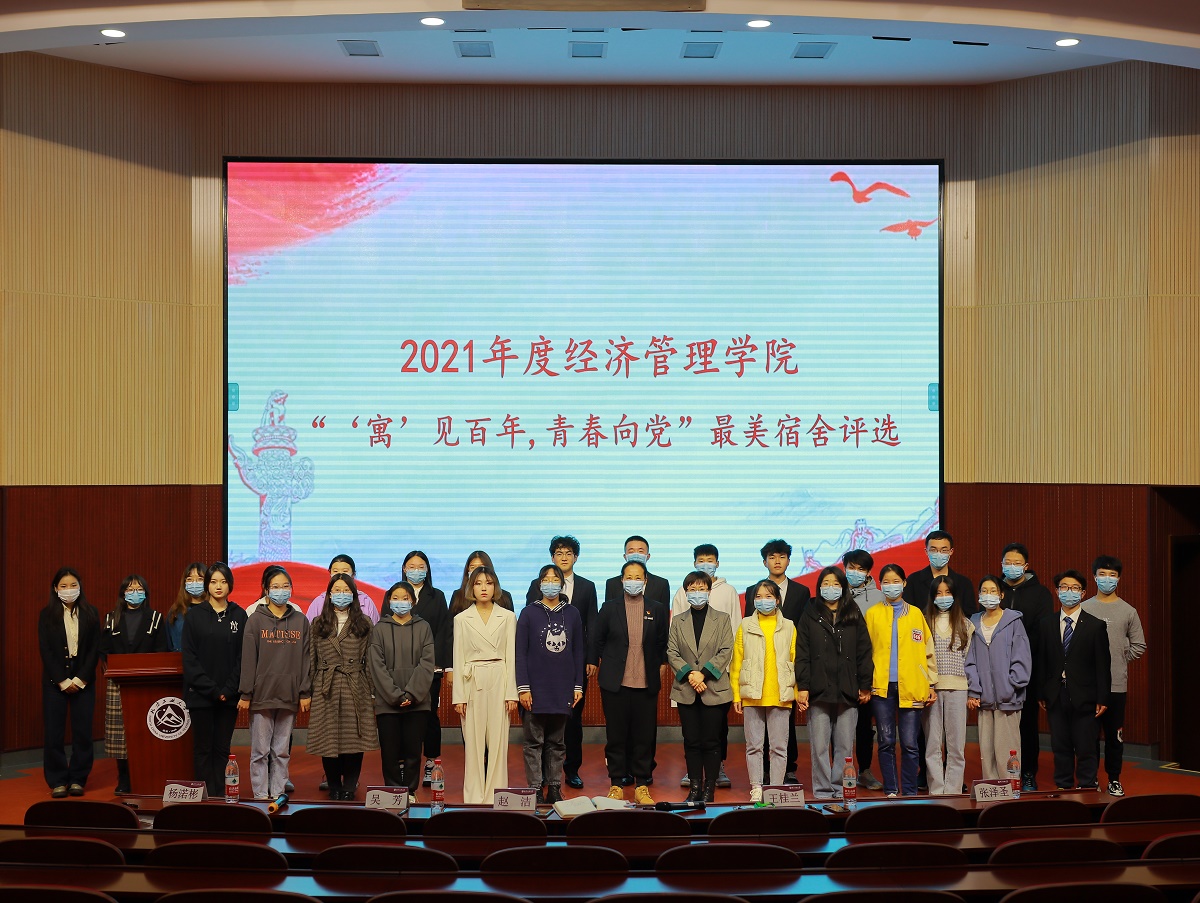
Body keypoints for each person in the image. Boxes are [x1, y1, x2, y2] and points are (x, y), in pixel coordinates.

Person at [589, 559, 669, 805]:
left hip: (646, 681)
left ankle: (642, 784)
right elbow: (597, 639)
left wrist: (662, 664)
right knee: (616, 735)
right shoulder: (609, 608)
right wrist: (607, 660)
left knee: (644, 736)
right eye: (629, 577)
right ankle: (616, 783)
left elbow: (662, 641)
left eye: (638, 578)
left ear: (645, 581)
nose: (633, 582)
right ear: (622, 580)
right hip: (616, 682)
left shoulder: (656, 609)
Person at [525, 536, 597, 790]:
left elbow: (592, 624)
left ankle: (571, 770)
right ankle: (543, 776)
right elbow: (530, 625)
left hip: (573, 666)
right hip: (541, 669)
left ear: (576, 557)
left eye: (568, 553)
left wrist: (590, 659)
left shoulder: (587, 587)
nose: (564, 557)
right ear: (552, 557)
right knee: (541, 723)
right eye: (559, 553)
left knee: (573, 720)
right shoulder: (536, 587)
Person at [796, 567, 873, 800]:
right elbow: (802, 653)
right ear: (819, 587)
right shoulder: (809, 614)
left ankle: (840, 789)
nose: (831, 588)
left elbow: (864, 651)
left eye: (836, 584)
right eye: (826, 584)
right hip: (818, 690)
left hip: (848, 689)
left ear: (843, 587)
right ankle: (822, 791)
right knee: (819, 746)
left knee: (844, 746)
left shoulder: (853, 613)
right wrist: (803, 687)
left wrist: (865, 684)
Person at [238, 565, 311, 801]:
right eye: (276, 586)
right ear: (266, 590)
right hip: (261, 696)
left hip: (289, 695)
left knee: (281, 751)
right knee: (260, 751)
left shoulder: (300, 621)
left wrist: (304, 692)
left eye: (285, 586)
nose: (281, 590)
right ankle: (260, 795)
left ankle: (278, 793)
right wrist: (246, 693)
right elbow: (248, 659)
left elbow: (306, 658)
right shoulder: (255, 620)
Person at [671, 544, 740, 790]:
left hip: (715, 685)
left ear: (709, 591)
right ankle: (695, 785)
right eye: (692, 589)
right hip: (687, 686)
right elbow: (672, 651)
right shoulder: (678, 620)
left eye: (701, 589)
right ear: (685, 592)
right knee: (691, 739)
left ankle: (710, 784)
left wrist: (704, 674)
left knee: (713, 739)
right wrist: (691, 675)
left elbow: (726, 648)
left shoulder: (722, 618)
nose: (697, 593)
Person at [865, 564, 937, 797]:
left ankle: (909, 791)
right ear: (880, 585)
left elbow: (928, 651)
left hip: (912, 685)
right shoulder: (872, 614)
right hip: (881, 686)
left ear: (904, 583)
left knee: (910, 743)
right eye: (886, 582)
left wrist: (931, 683)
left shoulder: (916, 614)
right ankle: (891, 790)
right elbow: (865, 652)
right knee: (886, 741)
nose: (891, 586)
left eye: (896, 581)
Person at [744, 539, 811, 785]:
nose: (777, 561)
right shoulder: (753, 590)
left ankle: (787, 768)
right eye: (772, 557)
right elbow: (748, 627)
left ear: (788, 561)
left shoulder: (801, 591)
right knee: (758, 726)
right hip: (760, 664)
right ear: (765, 562)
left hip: (786, 661)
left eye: (782, 557)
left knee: (785, 721)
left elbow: (803, 629)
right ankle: (762, 771)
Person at [516, 564, 585, 804]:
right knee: (533, 743)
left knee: (557, 742)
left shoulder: (573, 613)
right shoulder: (528, 613)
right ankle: (535, 788)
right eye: (546, 579)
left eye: (555, 579)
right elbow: (520, 653)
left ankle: (554, 787)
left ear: (562, 584)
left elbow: (578, 652)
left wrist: (577, 686)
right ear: (539, 584)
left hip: (562, 688)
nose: (551, 583)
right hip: (535, 689)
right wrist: (523, 688)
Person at [1037, 569, 1111, 791]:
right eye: (1064, 587)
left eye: (1075, 588)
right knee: (1060, 745)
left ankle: (1087, 786)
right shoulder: (1046, 623)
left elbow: (1103, 665)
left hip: (1086, 695)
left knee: (1086, 746)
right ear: (1057, 591)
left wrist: (1103, 698)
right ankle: (1063, 784)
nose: (1069, 592)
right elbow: (1042, 660)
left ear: (1083, 593)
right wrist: (1041, 692)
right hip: (1056, 694)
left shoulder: (1095, 625)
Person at [452, 565, 518, 804]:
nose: (483, 588)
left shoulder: (508, 617)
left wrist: (512, 693)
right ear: (471, 587)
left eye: (488, 583)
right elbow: (458, 657)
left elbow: (511, 656)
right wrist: (458, 696)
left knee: (499, 744)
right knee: (473, 744)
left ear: (495, 587)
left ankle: (496, 795)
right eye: (478, 583)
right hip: (472, 681)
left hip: (500, 679)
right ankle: (473, 797)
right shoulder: (461, 619)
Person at [308, 573, 378, 800]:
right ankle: (334, 785)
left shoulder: (364, 624)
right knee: (327, 738)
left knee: (354, 739)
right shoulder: (318, 623)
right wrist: (308, 690)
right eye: (337, 590)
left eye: (346, 590)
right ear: (329, 595)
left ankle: (349, 785)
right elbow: (312, 660)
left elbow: (370, 660)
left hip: (355, 684)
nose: (341, 595)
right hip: (325, 686)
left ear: (354, 595)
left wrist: (372, 692)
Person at [1082, 555, 1146, 797]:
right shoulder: (1083, 608)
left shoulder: (1128, 611)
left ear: (1118, 578)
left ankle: (1114, 779)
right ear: (1094, 576)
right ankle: (1089, 779)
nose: (1107, 579)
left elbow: (1139, 645)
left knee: (1114, 737)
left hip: (1116, 685)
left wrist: (1119, 657)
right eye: (1102, 574)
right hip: (1088, 685)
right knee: (1088, 736)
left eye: (1112, 575)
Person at [182, 562, 247, 797]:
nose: (218, 586)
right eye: (213, 582)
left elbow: (243, 657)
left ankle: (221, 795)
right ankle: (203, 797)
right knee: (202, 749)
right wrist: (212, 690)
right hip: (200, 696)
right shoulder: (194, 616)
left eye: (223, 581)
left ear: (230, 585)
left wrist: (228, 690)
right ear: (207, 585)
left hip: (229, 696)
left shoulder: (239, 615)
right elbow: (189, 659)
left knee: (222, 749)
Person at [100, 574, 168, 793]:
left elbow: (162, 650)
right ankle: (124, 779)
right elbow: (103, 650)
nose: (134, 593)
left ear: (146, 593)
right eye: (130, 589)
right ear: (123, 593)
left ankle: (147, 776)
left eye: (139, 589)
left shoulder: (156, 618)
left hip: (147, 685)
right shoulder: (111, 619)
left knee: (146, 731)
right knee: (120, 735)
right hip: (118, 683)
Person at [369, 581, 436, 797]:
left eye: (405, 598)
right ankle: (393, 792)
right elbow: (376, 666)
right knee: (389, 752)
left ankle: (410, 791)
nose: (400, 602)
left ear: (413, 602)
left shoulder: (423, 627)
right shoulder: (379, 629)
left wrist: (411, 694)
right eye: (395, 598)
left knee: (413, 751)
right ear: (389, 601)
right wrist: (395, 696)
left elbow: (427, 663)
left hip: (418, 702)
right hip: (387, 703)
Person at [732, 579, 797, 802]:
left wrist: (797, 691)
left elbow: (795, 660)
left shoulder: (789, 626)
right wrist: (736, 694)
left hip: (780, 693)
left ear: (777, 600)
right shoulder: (745, 625)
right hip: (752, 693)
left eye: (768, 596)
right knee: (754, 746)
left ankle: (775, 789)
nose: (763, 601)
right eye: (758, 597)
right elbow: (737, 661)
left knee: (779, 747)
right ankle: (757, 787)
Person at [38, 568, 101, 798]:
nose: (69, 590)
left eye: (73, 585)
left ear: (80, 587)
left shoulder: (91, 612)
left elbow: (95, 648)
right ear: (55, 588)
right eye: (63, 586)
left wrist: (81, 678)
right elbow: (45, 650)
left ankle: (77, 779)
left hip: (84, 680)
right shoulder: (46, 615)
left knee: (82, 732)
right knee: (53, 733)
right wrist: (62, 681)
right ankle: (57, 780)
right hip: (55, 682)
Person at [999, 542, 1054, 792]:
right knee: (1000, 723)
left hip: (1027, 668)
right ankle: (1002, 773)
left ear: (1026, 565)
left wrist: (1017, 651)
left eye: (1017, 563)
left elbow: (1041, 633)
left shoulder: (1040, 593)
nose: (1012, 567)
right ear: (1002, 564)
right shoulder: (994, 589)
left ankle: (1028, 772)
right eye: (1008, 562)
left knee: (1027, 724)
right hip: (997, 668)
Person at [965, 575, 1032, 780]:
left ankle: (1011, 788)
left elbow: (1022, 656)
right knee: (987, 751)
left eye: (993, 591)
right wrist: (974, 690)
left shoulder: (1013, 621)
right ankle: (992, 790)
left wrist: (1012, 685)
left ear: (1001, 595)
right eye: (984, 591)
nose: (989, 595)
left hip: (1008, 698)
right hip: (984, 699)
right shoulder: (973, 623)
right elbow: (969, 659)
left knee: (1008, 750)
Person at [401, 550, 451, 789]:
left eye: (421, 566)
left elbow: (443, 630)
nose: (416, 570)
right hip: (401, 667)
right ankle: (404, 763)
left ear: (427, 570)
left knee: (429, 715)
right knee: (403, 715)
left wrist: (437, 663)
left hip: (430, 667)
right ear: (404, 569)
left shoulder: (437, 596)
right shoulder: (396, 594)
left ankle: (431, 762)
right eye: (411, 566)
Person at [922, 576, 973, 795]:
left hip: (959, 689)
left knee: (956, 746)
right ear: (932, 596)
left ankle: (953, 791)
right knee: (932, 744)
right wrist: (927, 685)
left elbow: (970, 660)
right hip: (931, 690)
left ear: (955, 595)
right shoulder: (924, 622)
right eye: (939, 593)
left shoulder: (966, 624)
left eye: (948, 593)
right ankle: (936, 789)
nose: (943, 597)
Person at [844, 549, 885, 791]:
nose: (855, 572)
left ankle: (865, 770)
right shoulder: (835, 592)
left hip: (866, 670)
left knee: (863, 725)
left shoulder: (879, 597)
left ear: (869, 572)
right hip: (839, 671)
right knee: (839, 726)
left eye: (861, 569)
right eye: (851, 567)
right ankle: (841, 771)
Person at [904, 530, 977, 617]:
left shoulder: (964, 583)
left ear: (951, 551)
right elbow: (908, 614)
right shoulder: (913, 581)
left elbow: (970, 615)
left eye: (944, 550)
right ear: (926, 551)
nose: (938, 554)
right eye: (933, 550)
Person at [306, 554, 381, 624]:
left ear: (353, 574)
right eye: (335, 571)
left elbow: (375, 631)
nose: (340, 574)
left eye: (345, 571)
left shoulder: (366, 602)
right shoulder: (319, 602)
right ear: (330, 573)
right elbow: (309, 629)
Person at [603, 535, 671, 607]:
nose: (636, 554)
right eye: (631, 551)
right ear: (625, 556)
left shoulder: (661, 584)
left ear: (648, 556)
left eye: (640, 551)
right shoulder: (612, 584)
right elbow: (608, 611)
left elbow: (664, 612)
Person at [450, 550, 515, 612]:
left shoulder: (505, 597)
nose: (477, 571)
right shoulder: (458, 596)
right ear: (467, 571)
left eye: (481, 567)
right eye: (473, 567)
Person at [166, 562, 206, 653]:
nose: (194, 583)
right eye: (190, 579)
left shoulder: (213, 610)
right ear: (184, 583)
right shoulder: (175, 612)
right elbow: (168, 644)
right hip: (180, 659)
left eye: (200, 579)